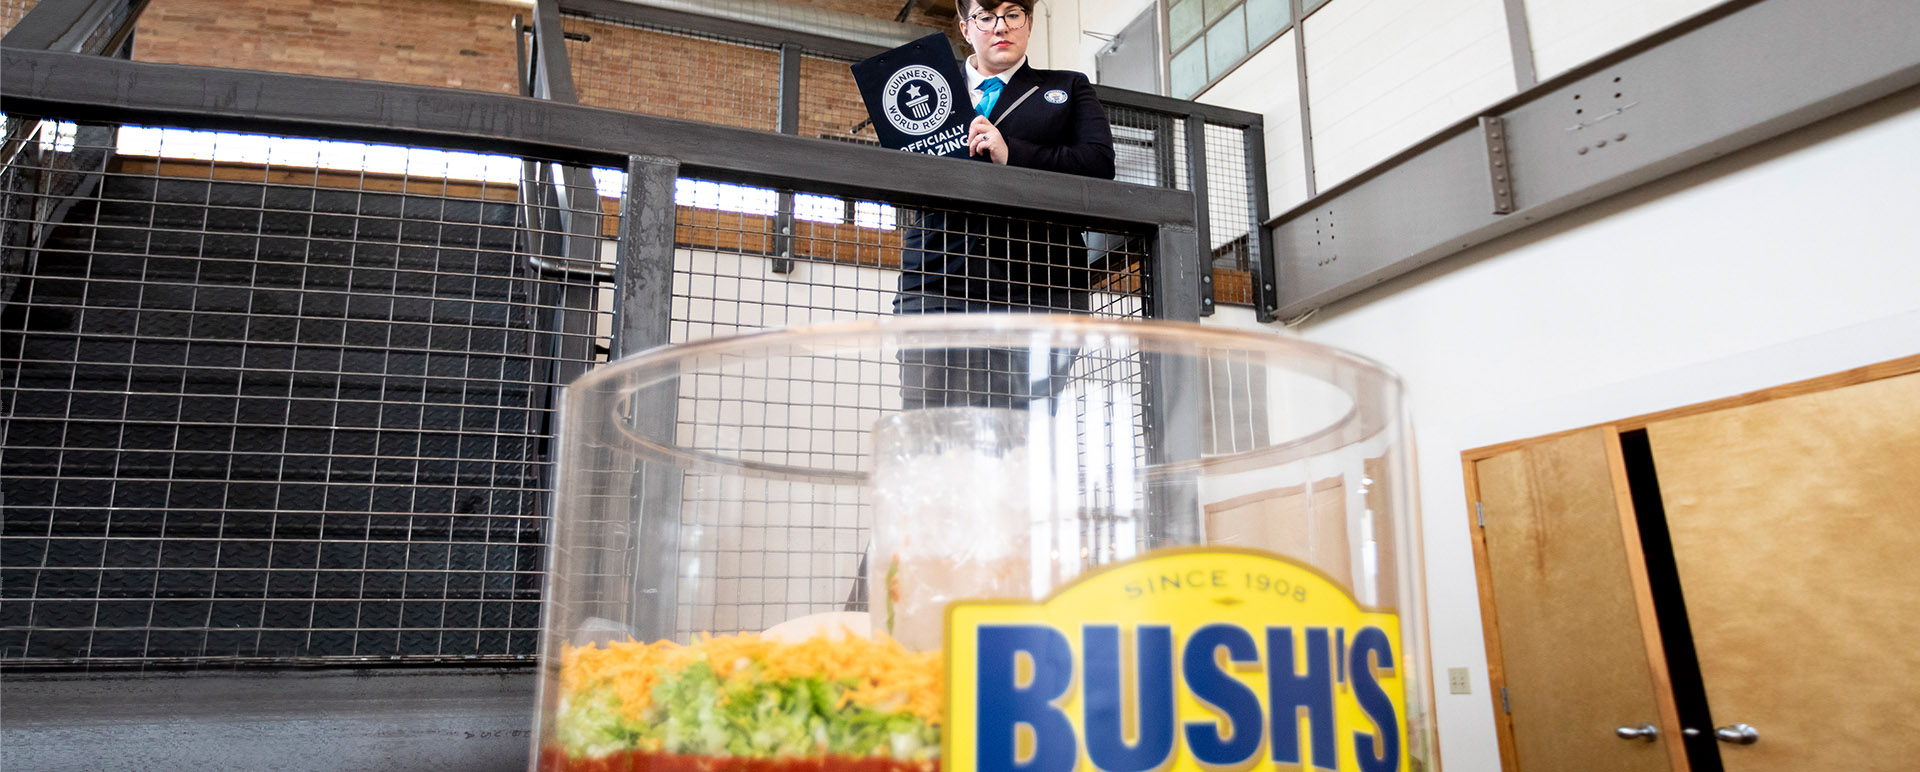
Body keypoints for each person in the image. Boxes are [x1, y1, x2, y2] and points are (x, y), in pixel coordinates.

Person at [895, 0, 1116, 411]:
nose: (1001, 27)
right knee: (932, 421)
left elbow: (1099, 165)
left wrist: (1011, 152)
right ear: (965, 27)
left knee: (1024, 425)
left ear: (1029, 22)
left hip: (1038, 281)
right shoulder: (925, 88)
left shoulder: (1068, 87)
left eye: (1013, 15)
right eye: (986, 17)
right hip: (938, 277)